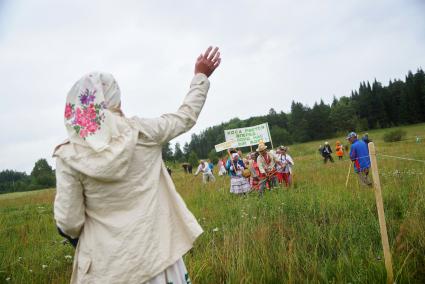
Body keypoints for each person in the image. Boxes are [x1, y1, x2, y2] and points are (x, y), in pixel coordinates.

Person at [53, 46, 221, 283]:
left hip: (107, 268)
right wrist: (200, 77)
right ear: (115, 99)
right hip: (158, 257)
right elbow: (185, 117)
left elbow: (69, 223)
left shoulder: (70, 156)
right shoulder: (143, 132)